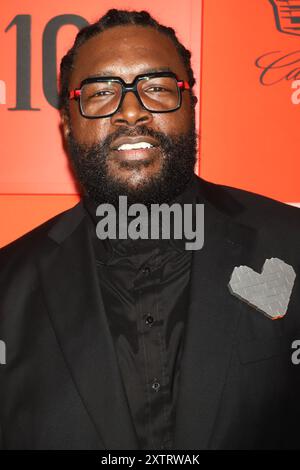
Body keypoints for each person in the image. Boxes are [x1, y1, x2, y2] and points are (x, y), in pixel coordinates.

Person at [0, 8, 299, 450]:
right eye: (101, 92)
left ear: (192, 107)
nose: (132, 111)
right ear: (67, 123)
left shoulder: (291, 243)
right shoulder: (8, 287)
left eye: (157, 88)